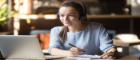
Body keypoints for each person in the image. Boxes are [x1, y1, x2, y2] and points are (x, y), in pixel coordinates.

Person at [48, 1, 117, 59]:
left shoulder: (97, 28)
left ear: (81, 16)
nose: (65, 19)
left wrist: (111, 53)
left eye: (70, 15)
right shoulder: (56, 30)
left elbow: (109, 48)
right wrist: (69, 53)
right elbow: (52, 50)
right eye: (62, 15)